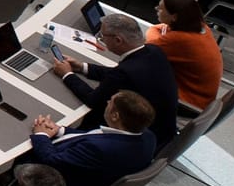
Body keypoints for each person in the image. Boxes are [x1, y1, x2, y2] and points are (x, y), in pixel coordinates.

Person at [51, 12, 180, 147]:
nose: (101, 40)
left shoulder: (126, 72)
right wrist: (83, 67)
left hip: (141, 137)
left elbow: (93, 100)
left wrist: (67, 75)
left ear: (118, 40)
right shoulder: (153, 51)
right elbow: (116, 73)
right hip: (164, 130)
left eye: (102, 36)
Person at [21, 92, 158, 186]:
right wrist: (59, 130)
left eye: (110, 102)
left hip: (59, 184)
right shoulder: (148, 137)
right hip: (93, 176)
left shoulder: (101, 149)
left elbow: (51, 162)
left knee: (19, 153)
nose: (107, 102)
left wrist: (41, 135)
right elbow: (92, 135)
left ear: (115, 116)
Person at [148, 0, 225, 110]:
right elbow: (158, 30)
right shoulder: (202, 27)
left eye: (160, 8)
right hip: (203, 100)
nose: (156, 9)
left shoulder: (179, 39)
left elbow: (150, 46)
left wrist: (156, 33)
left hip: (187, 104)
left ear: (174, 17)